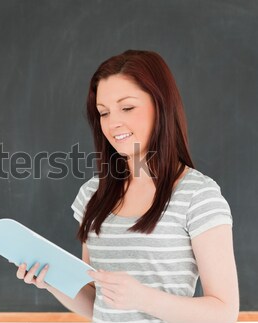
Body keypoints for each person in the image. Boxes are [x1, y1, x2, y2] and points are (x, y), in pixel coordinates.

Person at [15, 50, 239, 323]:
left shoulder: (197, 195)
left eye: (127, 107)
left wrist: (142, 298)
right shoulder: (93, 194)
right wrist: (51, 280)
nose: (113, 123)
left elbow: (224, 312)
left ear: (161, 105)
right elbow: (97, 302)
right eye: (103, 113)